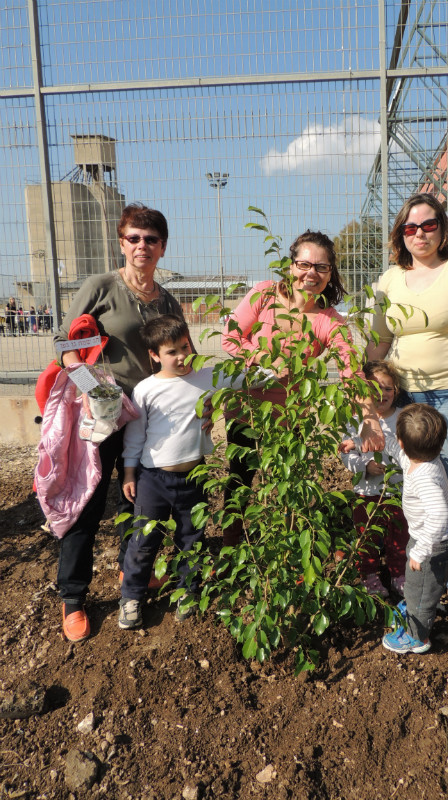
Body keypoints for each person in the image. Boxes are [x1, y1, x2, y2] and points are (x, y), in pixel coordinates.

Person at [54, 203, 185, 643]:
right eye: (133, 238)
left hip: (147, 418)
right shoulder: (102, 287)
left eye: (150, 239)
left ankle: (132, 572)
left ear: (162, 247)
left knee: (137, 501)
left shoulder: (166, 300)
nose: (141, 246)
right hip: (102, 413)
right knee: (88, 503)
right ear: (121, 242)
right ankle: (74, 598)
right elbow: (66, 346)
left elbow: (179, 356)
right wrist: (95, 389)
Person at [367, 193, 448, 606]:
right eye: (410, 227)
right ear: (400, 235)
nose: (419, 233)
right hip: (406, 395)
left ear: (442, 229)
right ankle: (410, 559)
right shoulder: (388, 280)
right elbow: (379, 342)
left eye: (428, 225)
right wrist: (368, 399)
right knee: (406, 480)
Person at [221, 229, 385, 546]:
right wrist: (262, 360)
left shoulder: (330, 320)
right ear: (291, 265)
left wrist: (370, 417)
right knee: (240, 476)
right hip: (247, 409)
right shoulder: (264, 294)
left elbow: (351, 370)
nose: (311, 273)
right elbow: (230, 337)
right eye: (304, 264)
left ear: (330, 273)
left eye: (321, 267)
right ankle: (231, 544)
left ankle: (287, 544)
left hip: (291, 414)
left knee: (290, 479)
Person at [119, 315, 227, 629]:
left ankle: (187, 591)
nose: (181, 356)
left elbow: (243, 377)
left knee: (191, 538)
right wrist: (128, 474)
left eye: (185, 347)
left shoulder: (207, 377)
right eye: (171, 352)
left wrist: (282, 370)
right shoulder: (146, 390)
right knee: (143, 541)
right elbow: (136, 436)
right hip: (153, 478)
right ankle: (132, 597)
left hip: (194, 475)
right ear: (154, 355)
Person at [381, 404, 448, 654]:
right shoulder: (418, 457)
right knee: (417, 586)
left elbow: (440, 516)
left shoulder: (424, 476)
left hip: (433, 546)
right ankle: (417, 605)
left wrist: (421, 550)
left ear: (403, 441)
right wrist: (361, 444)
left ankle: (416, 637)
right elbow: (392, 448)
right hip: (424, 539)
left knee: (421, 590)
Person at [340, 360, 409, 598]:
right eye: (374, 389)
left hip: (396, 493)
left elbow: (410, 452)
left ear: (396, 391)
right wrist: (365, 465)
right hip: (366, 492)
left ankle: (398, 575)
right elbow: (345, 454)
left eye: (388, 388)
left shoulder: (403, 419)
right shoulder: (355, 420)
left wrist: (396, 467)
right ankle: (369, 576)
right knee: (367, 536)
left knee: (398, 537)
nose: (382, 394)